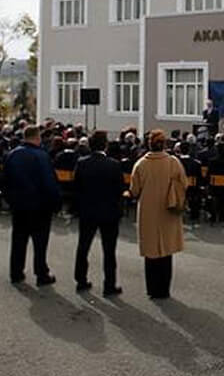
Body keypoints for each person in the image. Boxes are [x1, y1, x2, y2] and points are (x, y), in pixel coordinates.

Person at [129, 129, 188, 299]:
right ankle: (164, 289)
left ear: (148, 144)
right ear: (164, 144)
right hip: (168, 209)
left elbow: (135, 190)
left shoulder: (141, 164)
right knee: (166, 251)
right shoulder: (173, 162)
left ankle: (152, 289)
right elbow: (183, 183)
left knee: (151, 252)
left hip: (148, 210)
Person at [2, 125, 61, 285]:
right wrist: (56, 203)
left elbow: (5, 181)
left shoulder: (12, 155)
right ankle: (41, 273)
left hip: (19, 206)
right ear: (37, 137)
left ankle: (16, 272)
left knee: (18, 240)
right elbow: (49, 183)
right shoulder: (42, 156)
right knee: (40, 242)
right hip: (40, 207)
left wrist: (10, 200)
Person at [73, 130, 125, 296]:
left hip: (87, 210)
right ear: (105, 145)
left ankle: (81, 280)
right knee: (109, 251)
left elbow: (77, 188)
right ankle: (109, 284)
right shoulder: (114, 165)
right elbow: (119, 190)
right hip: (109, 211)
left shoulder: (82, 163)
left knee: (83, 246)